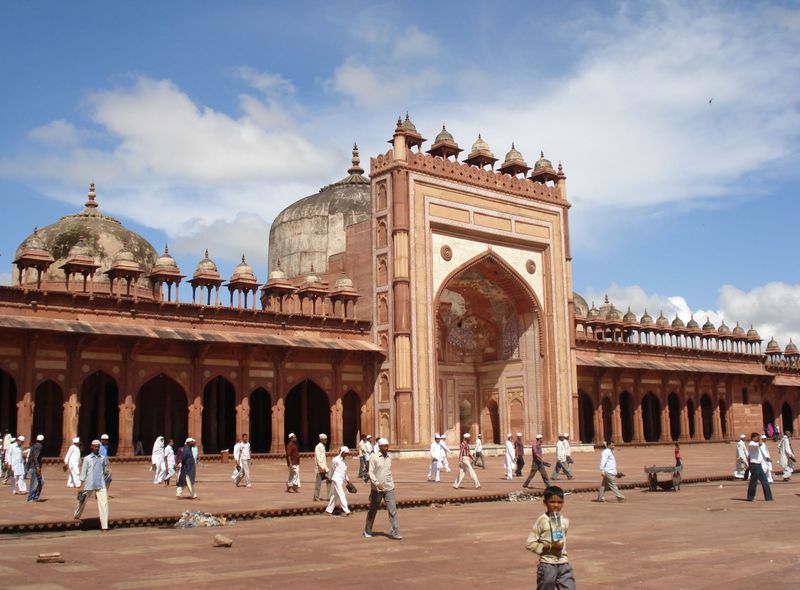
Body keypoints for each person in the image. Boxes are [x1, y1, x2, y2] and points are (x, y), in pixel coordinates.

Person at [526, 486, 576, 590]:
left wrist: (560, 546)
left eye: (559, 502)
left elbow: (562, 540)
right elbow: (530, 543)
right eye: (552, 502)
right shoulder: (542, 521)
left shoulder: (564, 521)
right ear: (545, 502)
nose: (556, 505)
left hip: (563, 562)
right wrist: (549, 546)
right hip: (547, 564)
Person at [363, 438, 401, 540]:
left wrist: (391, 483)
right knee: (373, 510)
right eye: (384, 446)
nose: (386, 448)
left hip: (389, 487)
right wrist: (376, 483)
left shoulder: (389, 457)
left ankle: (395, 532)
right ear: (379, 447)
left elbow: (388, 472)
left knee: (392, 510)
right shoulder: (374, 457)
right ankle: (367, 530)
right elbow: (370, 472)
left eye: (387, 446)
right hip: (377, 489)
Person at [74, 439, 109, 531]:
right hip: (89, 484)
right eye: (95, 447)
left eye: (98, 447)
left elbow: (105, 471)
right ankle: (77, 514)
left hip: (101, 484)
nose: (96, 448)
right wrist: (81, 485)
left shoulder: (102, 458)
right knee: (82, 500)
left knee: (104, 504)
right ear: (91, 447)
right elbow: (83, 473)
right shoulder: (87, 459)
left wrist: (108, 477)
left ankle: (104, 526)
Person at [325, 446, 352, 516]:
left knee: (335, 495)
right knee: (341, 494)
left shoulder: (344, 461)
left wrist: (347, 479)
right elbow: (332, 469)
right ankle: (347, 510)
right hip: (336, 479)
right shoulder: (335, 460)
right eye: (346, 453)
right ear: (342, 452)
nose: (347, 455)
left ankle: (328, 510)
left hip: (341, 479)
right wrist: (330, 477)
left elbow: (344, 472)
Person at [746, 432, 773, 501]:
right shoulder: (751, 444)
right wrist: (760, 438)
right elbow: (760, 444)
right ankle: (750, 497)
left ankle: (768, 497)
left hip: (758, 465)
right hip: (754, 465)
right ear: (753, 438)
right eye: (757, 437)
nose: (758, 439)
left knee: (765, 481)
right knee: (753, 482)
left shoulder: (755, 444)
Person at [26, 434, 45, 502]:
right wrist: (37, 466)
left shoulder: (33, 446)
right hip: (35, 467)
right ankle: (31, 498)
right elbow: (35, 457)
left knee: (40, 481)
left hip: (32, 466)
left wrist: (28, 466)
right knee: (34, 482)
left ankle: (34, 497)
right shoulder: (39, 446)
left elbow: (30, 456)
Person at [313, 433, 330, 500]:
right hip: (320, 468)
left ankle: (329, 496)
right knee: (318, 483)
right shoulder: (318, 446)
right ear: (321, 439)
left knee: (330, 480)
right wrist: (321, 467)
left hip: (325, 467)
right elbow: (318, 457)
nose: (326, 440)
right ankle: (316, 497)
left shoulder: (323, 446)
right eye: (325, 439)